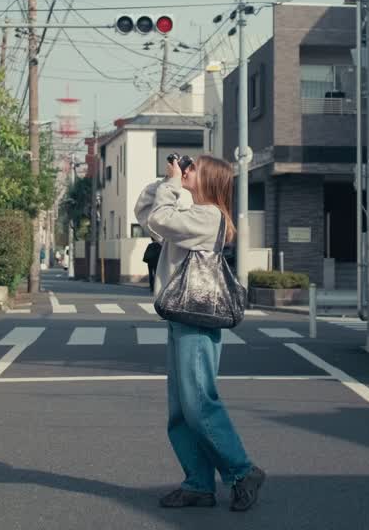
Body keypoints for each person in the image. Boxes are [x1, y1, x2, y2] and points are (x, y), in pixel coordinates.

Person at [134, 154, 266, 512]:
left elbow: (161, 219)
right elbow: (145, 211)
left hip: (196, 317)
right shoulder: (187, 209)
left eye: (193, 168)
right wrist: (169, 181)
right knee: (181, 409)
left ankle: (241, 471)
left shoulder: (209, 216)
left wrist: (175, 185)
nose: (186, 170)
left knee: (198, 403)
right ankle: (197, 484)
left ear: (209, 180)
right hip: (180, 314)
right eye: (186, 166)